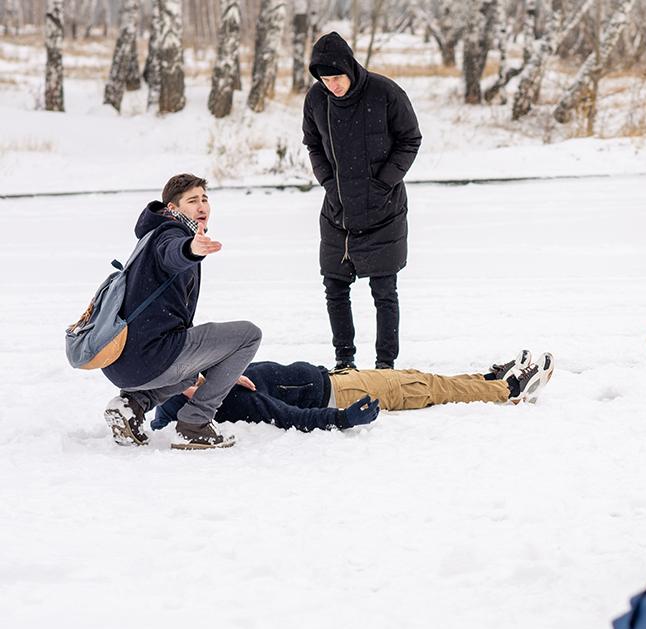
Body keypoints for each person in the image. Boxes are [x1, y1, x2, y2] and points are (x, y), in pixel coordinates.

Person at [102, 173, 263, 450]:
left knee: (189, 373)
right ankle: (195, 423)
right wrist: (190, 249)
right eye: (192, 201)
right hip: (148, 357)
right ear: (173, 208)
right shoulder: (171, 234)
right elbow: (172, 253)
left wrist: (218, 366)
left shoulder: (150, 235)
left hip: (121, 363)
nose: (202, 206)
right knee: (249, 335)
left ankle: (132, 405)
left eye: (204, 199)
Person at [302, 31, 422, 371]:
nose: (333, 86)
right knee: (334, 286)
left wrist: (382, 183)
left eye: (337, 78)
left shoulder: (385, 92)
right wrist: (329, 183)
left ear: (350, 68)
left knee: (384, 289)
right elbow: (312, 143)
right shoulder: (316, 99)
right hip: (337, 211)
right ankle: (344, 360)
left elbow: (410, 139)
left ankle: (385, 364)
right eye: (326, 80)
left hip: (384, 209)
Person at [150, 351, 555, 433]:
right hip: (341, 393)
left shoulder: (202, 386)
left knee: (417, 377)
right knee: (424, 387)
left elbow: (162, 415)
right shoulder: (231, 398)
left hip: (335, 378)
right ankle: (508, 389)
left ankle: (484, 379)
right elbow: (290, 417)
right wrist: (343, 418)